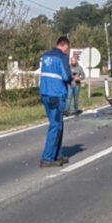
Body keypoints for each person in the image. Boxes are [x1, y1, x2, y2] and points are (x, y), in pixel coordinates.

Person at [39, 37, 72, 167]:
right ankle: (47, 158)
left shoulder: (46, 55)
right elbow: (66, 76)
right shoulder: (62, 57)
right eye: (68, 49)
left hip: (45, 93)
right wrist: (73, 78)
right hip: (56, 95)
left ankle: (57, 154)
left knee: (58, 124)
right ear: (65, 46)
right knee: (55, 125)